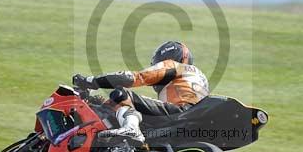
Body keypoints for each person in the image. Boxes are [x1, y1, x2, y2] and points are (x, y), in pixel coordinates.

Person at [73, 40, 209, 118]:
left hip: (179, 112)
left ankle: (131, 131)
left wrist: (90, 81)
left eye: (157, 63)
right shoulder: (197, 76)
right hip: (195, 117)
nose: (157, 66)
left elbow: (131, 78)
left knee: (122, 94)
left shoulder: (174, 65)